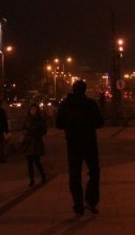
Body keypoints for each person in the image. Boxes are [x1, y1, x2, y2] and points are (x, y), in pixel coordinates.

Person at [56, 80, 104, 217]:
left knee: (75, 174)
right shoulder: (91, 104)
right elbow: (99, 122)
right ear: (85, 90)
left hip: (72, 143)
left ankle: (78, 205)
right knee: (94, 171)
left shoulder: (65, 104)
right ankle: (91, 199)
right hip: (89, 142)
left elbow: (58, 124)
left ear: (73, 89)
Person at [21, 103, 47, 186]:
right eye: (31, 109)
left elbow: (44, 130)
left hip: (36, 142)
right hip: (28, 142)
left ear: (37, 110)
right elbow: (23, 128)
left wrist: (37, 133)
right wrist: (24, 133)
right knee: (29, 162)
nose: (33, 111)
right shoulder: (27, 119)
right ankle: (31, 179)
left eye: (34, 109)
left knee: (36, 161)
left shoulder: (40, 119)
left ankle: (42, 175)